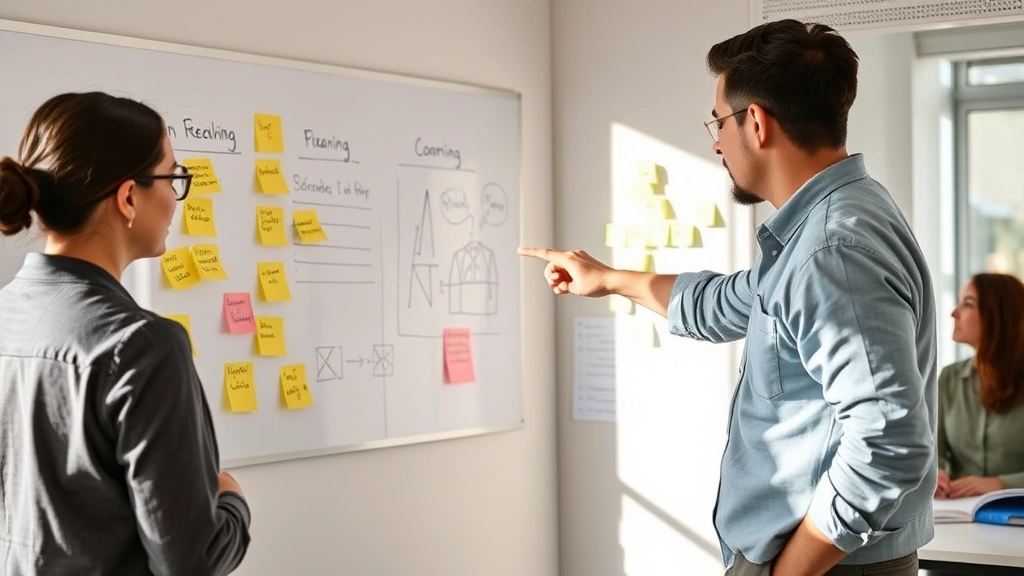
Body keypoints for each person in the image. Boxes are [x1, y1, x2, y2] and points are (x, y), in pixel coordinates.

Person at [521, 20, 936, 576]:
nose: (716, 141)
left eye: (718, 121)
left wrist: (789, 572)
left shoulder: (831, 248)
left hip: (828, 566)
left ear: (757, 122)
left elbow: (888, 443)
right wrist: (609, 278)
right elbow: (727, 302)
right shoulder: (832, 221)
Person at [0, 92, 251, 575]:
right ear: (129, 197)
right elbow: (191, 562)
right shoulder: (142, 344)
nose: (177, 198)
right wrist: (232, 501)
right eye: (173, 177)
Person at [935, 273, 1024, 499]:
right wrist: (938, 473)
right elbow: (935, 449)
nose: (953, 313)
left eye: (968, 304)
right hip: (959, 512)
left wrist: (1001, 484)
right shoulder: (949, 378)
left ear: (999, 316)